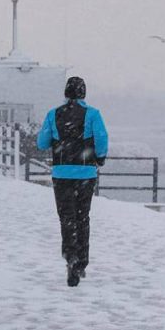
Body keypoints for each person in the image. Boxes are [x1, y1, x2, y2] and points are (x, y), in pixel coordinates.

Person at [36, 76, 109, 287]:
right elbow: (102, 139)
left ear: (66, 92)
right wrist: (100, 157)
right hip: (86, 173)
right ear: (83, 93)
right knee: (82, 217)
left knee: (66, 217)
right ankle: (81, 263)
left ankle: (70, 257)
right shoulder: (93, 114)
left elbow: (42, 143)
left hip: (61, 173)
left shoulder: (53, 114)